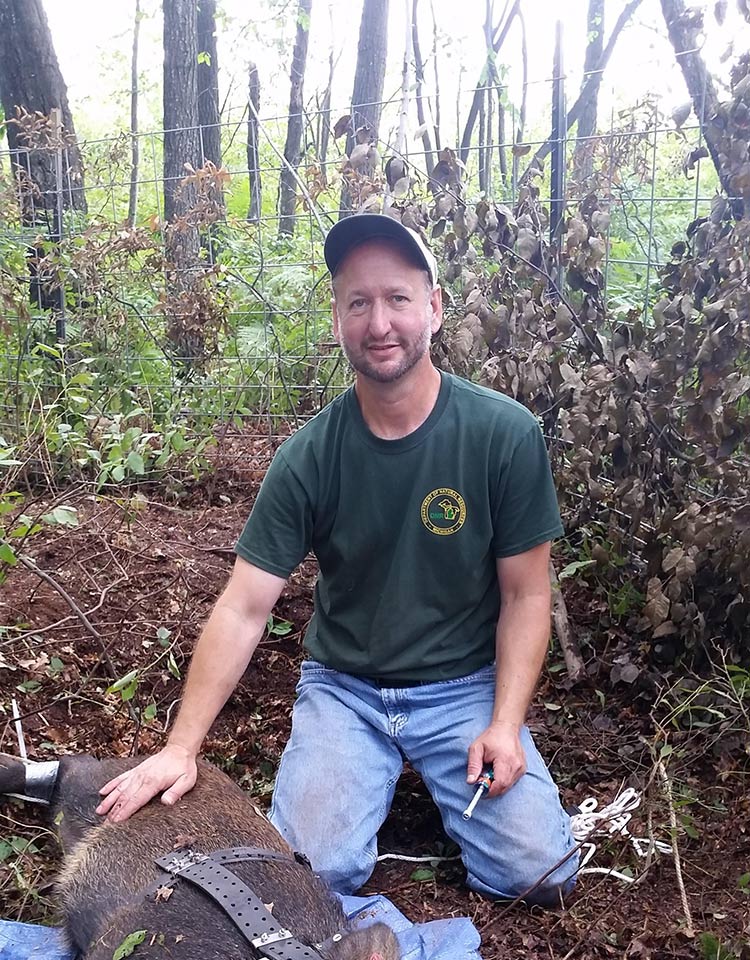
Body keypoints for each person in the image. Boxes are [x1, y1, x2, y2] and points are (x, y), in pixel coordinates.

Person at [97, 214, 578, 906]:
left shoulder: (503, 435)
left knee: (541, 877)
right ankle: (370, 781)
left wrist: (504, 723)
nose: (379, 322)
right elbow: (243, 605)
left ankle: (461, 784)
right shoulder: (308, 457)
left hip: (463, 685)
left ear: (434, 309)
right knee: (308, 878)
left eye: (398, 299)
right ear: (338, 318)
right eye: (359, 302)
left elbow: (528, 596)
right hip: (346, 689)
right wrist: (181, 746)